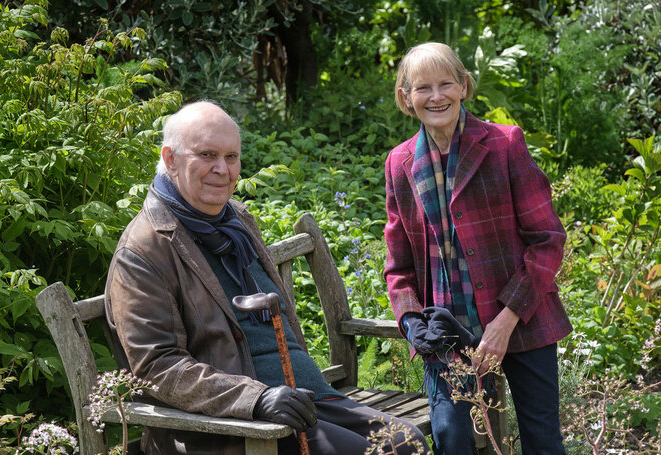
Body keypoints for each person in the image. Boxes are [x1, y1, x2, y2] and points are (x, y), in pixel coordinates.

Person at [105, 101, 428, 455]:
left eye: (231, 157)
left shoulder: (235, 219)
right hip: (233, 423)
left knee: (406, 441)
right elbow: (158, 367)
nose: (222, 169)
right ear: (170, 159)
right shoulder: (144, 251)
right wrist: (256, 398)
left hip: (303, 397)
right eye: (207, 154)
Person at [384, 42, 572, 454]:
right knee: (451, 436)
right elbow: (398, 267)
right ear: (406, 97)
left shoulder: (505, 145)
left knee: (542, 440)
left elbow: (548, 241)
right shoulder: (399, 164)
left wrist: (506, 320)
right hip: (446, 329)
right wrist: (412, 321)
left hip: (522, 316)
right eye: (423, 88)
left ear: (465, 87)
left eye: (446, 84)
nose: (436, 97)